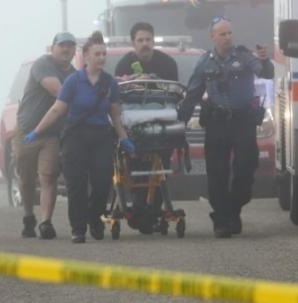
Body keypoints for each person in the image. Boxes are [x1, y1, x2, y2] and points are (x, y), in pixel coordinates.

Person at [25, 31, 136, 243]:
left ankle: (95, 219)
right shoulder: (73, 81)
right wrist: (36, 131)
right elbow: (57, 110)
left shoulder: (109, 83)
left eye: (104, 54)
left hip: (100, 136)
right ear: (85, 56)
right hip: (75, 135)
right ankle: (78, 228)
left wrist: (124, 138)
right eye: (97, 54)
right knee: (76, 184)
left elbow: (115, 115)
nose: (101, 58)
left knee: (102, 181)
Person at [178, 16, 274, 238]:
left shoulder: (244, 56)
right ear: (212, 36)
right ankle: (221, 220)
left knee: (246, 169)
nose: (227, 37)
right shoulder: (205, 62)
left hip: (243, 122)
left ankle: (233, 209)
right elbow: (192, 93)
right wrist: (180, 120)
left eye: (229, 33)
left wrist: (265, 59)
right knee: (217, 173)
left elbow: (265, 72)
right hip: (217, 122)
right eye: (222, 34)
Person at [114, 21, 179, 232]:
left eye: (148, 39)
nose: (145, 44)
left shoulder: (167, 64)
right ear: (133, 43)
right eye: (140, 40)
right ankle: (139, 207)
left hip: (161, 123)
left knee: (161, 168)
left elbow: (174, 96)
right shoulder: (124, 65)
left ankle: (154, 210)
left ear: (154, 40)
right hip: (135, 125)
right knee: (136, 167)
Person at [12, 32, 76, 240]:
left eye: (70, 46)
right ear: (53, 48)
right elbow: (58, 91)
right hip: (27, 131)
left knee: (48, 177)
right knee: (26, 179)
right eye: (62, 45)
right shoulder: (43, 64)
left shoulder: (74, 74)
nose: (66, 49)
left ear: (74, 50)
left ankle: (45, 222)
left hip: (51, 135)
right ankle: (28, 216)